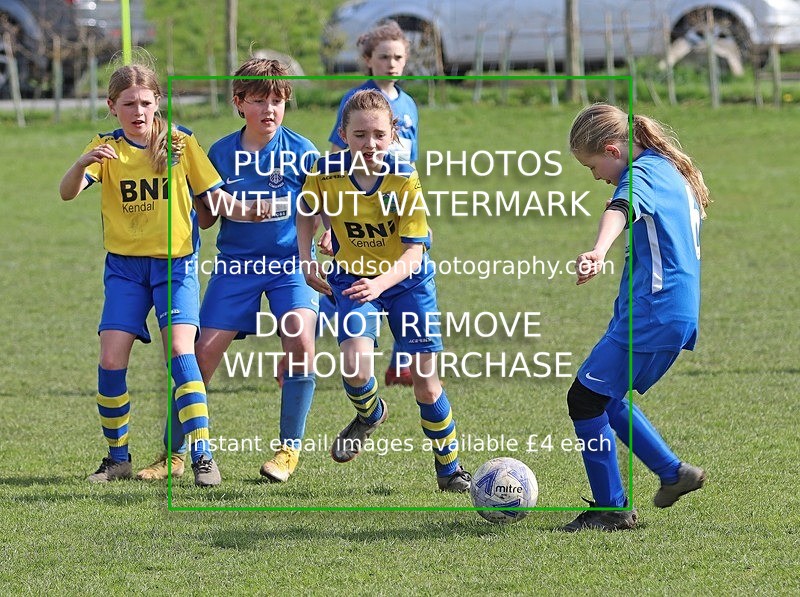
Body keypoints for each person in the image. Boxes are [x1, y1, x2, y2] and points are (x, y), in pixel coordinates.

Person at [59, 63, 264, 486]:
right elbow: (67, 192)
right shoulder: (106, 148)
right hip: (125, 270)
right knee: (111, 358)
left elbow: (215, 196)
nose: (138, 111)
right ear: (112, 106)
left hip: (175, 266)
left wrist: (248, 210)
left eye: (146, 103)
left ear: (158, 103)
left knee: (180, 353)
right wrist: (82, 162)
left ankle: (202, 456)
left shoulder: (179, 142)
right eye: (129, 104)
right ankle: (118, 458)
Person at [141, 58, 319, 484]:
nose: (269, 110)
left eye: (277, 100)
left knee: (300, 339)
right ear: (239, 103)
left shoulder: (303, 151)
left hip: (288, 265)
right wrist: (200, 197)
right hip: (236, 267)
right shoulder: (219, 152)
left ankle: (288, 450)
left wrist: (326, 236)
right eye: (259, 100)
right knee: (200, 358)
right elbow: (205, 220)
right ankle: (174, 454)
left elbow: (321, 206)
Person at [298, 89, 471, 492]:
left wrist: (378, 284)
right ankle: (371, 413)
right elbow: (306, 211)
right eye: (359, 135)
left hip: (407, 283)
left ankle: (450, 470)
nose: (369, 144)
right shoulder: (325, 173)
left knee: (426, 382)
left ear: (393, 133)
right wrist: (307, 261)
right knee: (356, 367)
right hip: (352, 279)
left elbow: (414, 253)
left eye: (378, 134)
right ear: (343, 134)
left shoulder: (403, 177)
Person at [562, 103, 709, 531]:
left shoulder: (640, 174)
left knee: (584, 399)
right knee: (605, 397)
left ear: (613, 149)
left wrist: (598, 251)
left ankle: (613, 509)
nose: (596, 176)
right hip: (673, 308)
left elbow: (620, 208)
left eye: (593, 166)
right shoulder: (669, 168)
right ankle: (672, 473)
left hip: (653, 310)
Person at [327, 19, 420, 387]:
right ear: (368, 60)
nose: (392, 63)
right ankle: (300, 348)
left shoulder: (409, 103)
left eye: (398, 56)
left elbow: (412, 159)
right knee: (350, 283)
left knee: (409, 279)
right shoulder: (358, 102)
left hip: (399, 207)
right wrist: (329, 222)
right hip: (360, 211)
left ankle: (402, 363)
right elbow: (335, 159)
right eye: (384, 57)